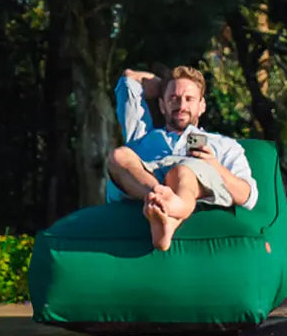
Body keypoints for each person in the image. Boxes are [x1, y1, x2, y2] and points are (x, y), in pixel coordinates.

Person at [106, 66, 258, 251]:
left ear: (202, 106)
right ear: (162, 105)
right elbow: (130, 79)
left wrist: (214, 165)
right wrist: (164, 84)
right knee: (118, 155)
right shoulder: (141, 136)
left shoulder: (223, 145)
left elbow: (247, 197)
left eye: (189, 99)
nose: (182, 106)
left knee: (183, 170)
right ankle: (165, 209)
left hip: (193, 177)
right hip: (149, 179)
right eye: (174, 98)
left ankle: (169, 209)